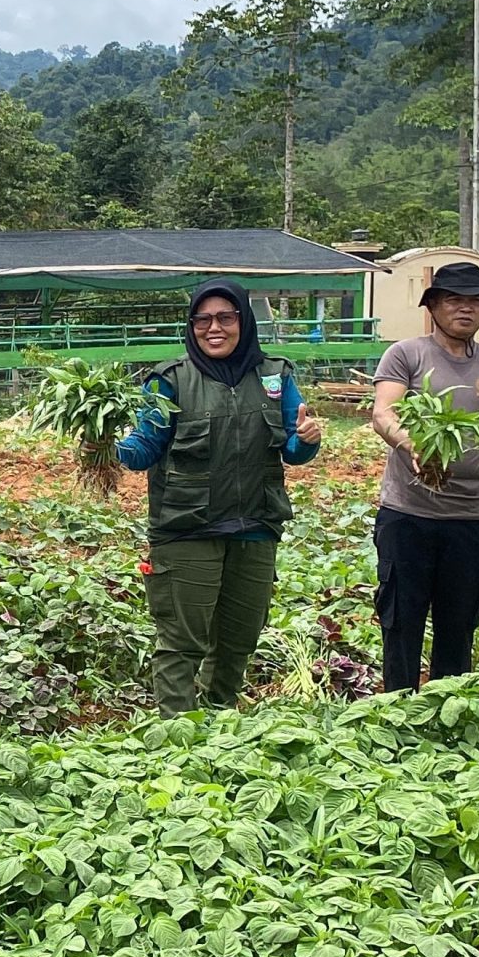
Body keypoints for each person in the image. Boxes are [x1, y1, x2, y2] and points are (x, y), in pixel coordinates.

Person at [114, 281, 326, 717]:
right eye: (203, 320)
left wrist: (307, 440)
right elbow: (144, 450)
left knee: (238, 641)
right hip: (186, 529)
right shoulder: (170, 380)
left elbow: (293, 448)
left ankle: (221, 726)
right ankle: (178, 738)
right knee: (181, 642)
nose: (214, 328)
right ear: (191, 326)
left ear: (243, 322)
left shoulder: (274, 375)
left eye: (225, 318)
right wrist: (105, 444)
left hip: (256, 527)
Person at [368, 261, 479, 690]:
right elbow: (384, 412)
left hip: (472, 519)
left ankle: (447, 706)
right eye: (454, 300)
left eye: (476, 301)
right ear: (434, 305)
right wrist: (411, 443)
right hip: (409, 514)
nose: (466, 309)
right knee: (402, 620)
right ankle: (399, 710)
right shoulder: (407, 355)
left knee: (460, 622)